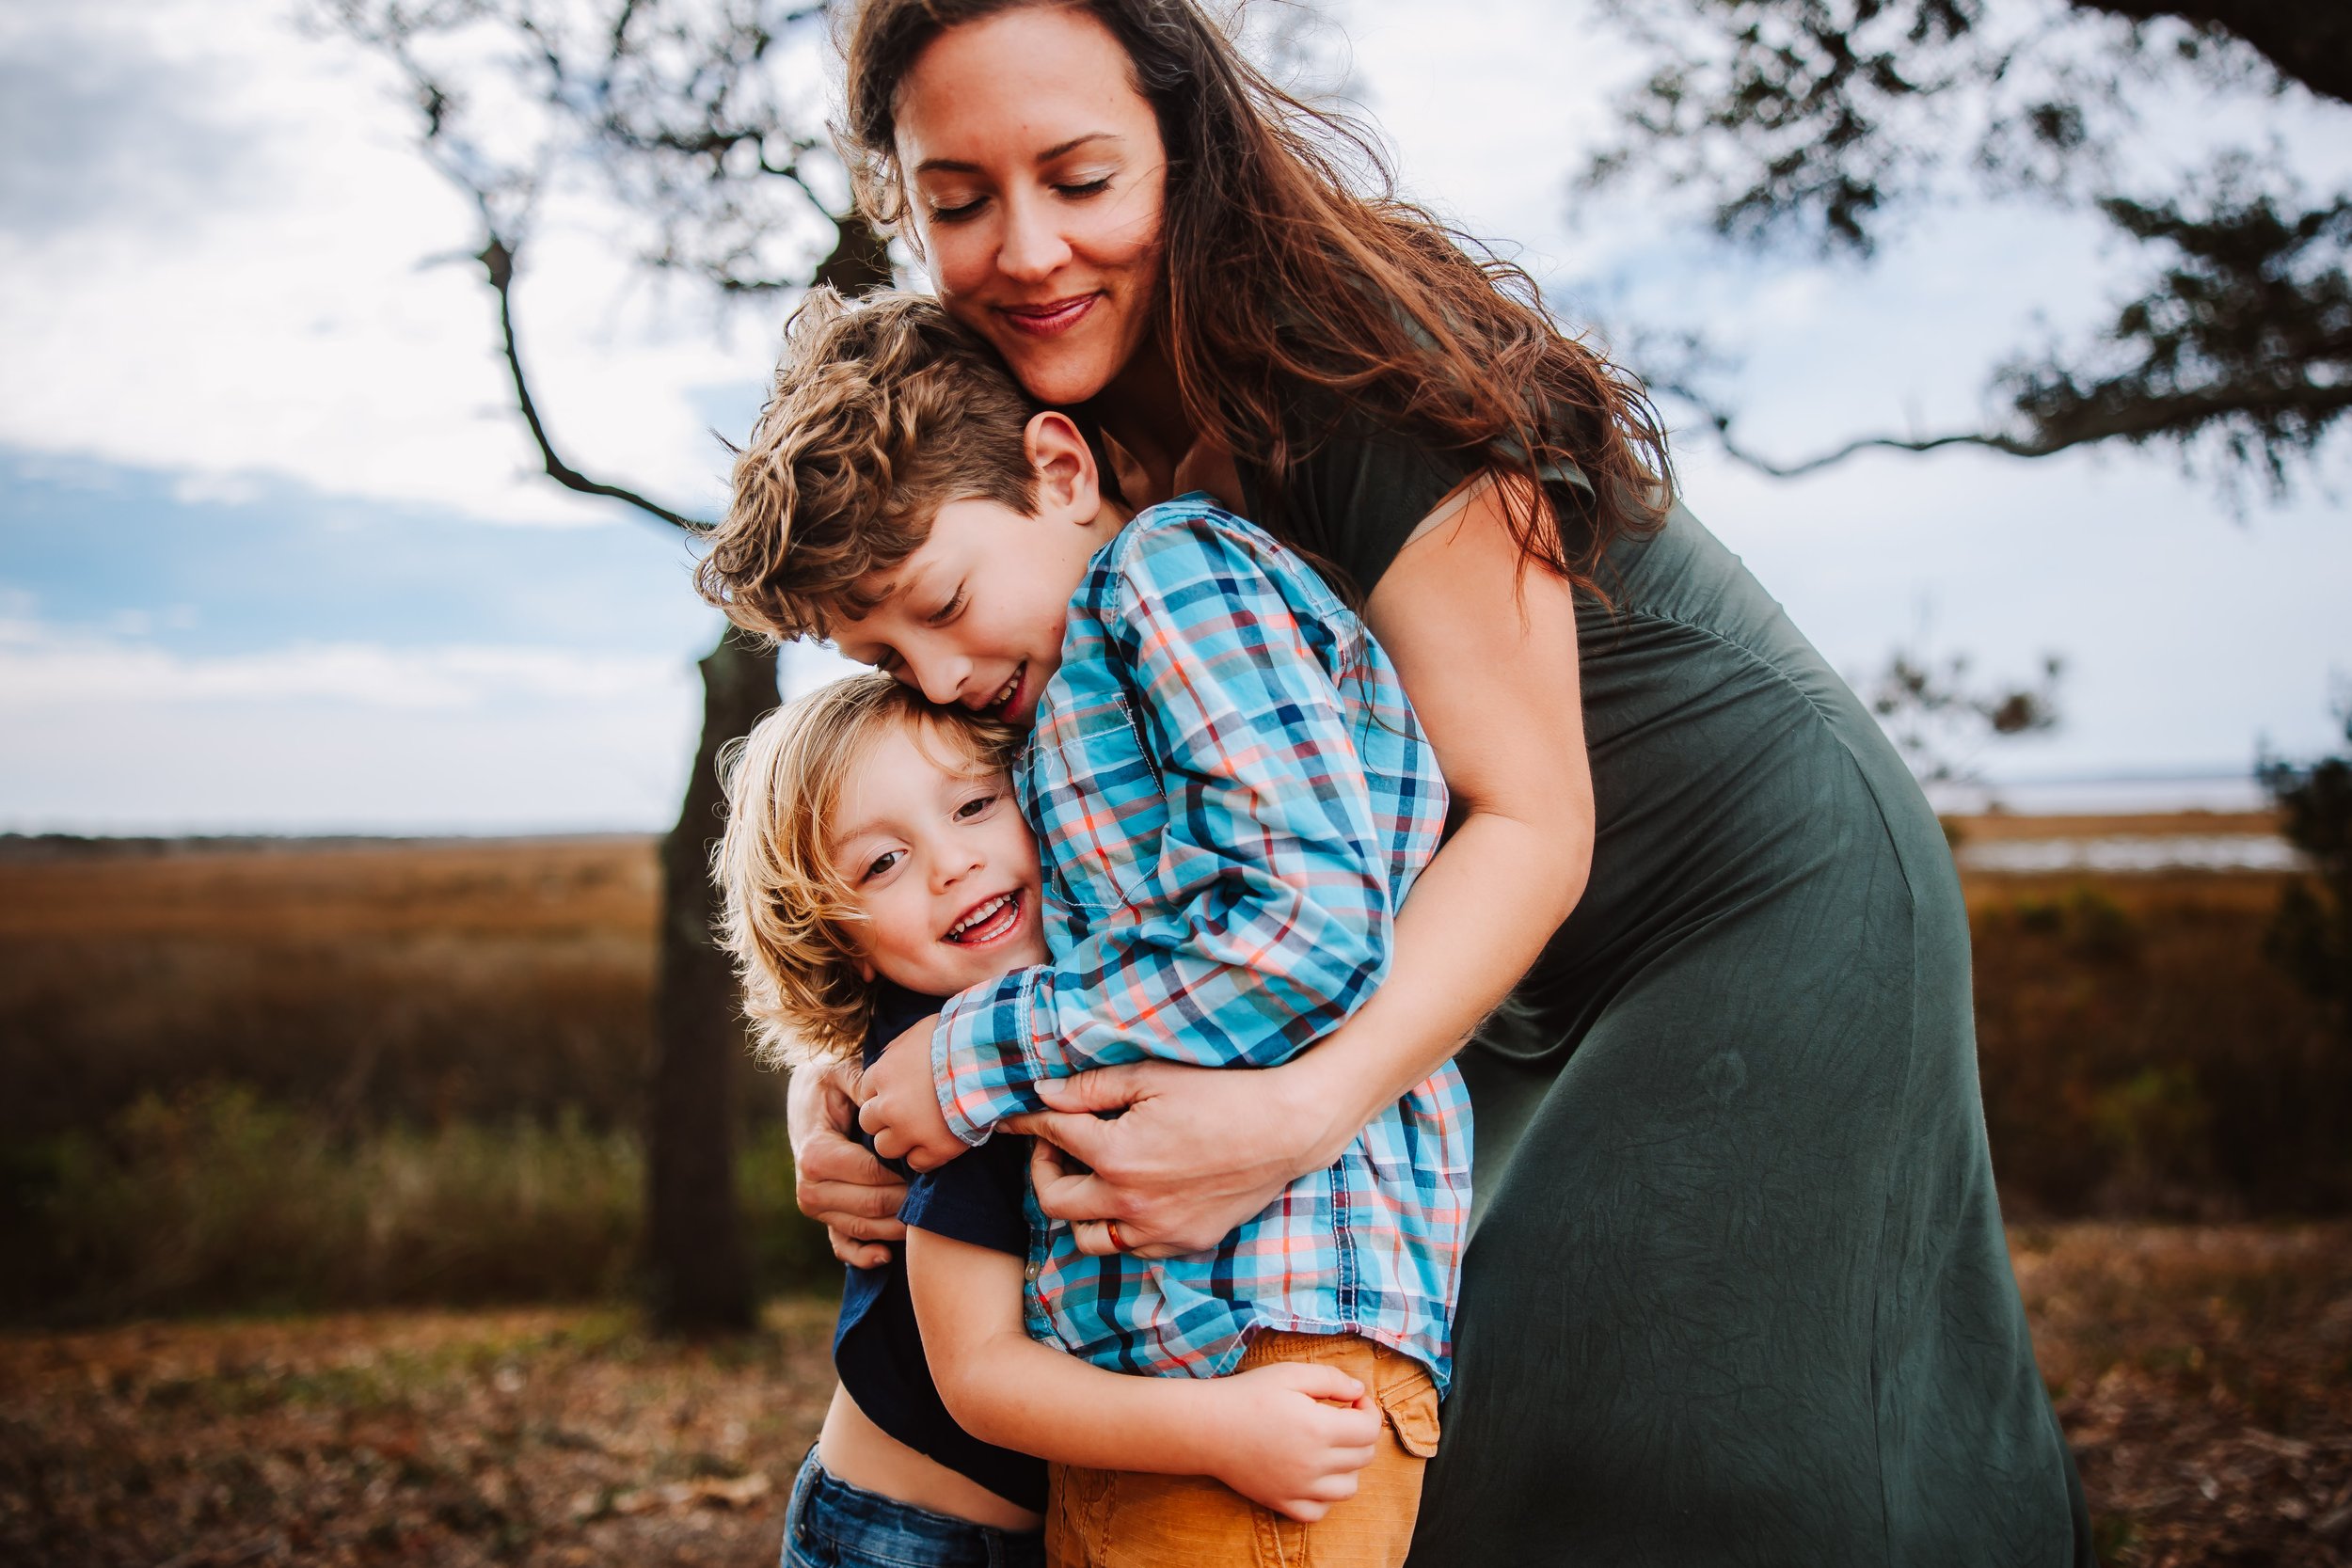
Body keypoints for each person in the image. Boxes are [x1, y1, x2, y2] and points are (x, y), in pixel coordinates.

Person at [805, 2, 2098, 1564]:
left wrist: (1291, 1113)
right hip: (1432, 959)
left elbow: (1534, 818)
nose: (1023, 249)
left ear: (1182, 142)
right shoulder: (1020, 428)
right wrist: (879, 1090)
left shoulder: (1354, 360)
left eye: (1081, 177)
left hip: (1742, 894)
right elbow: (1020, 832)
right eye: (956, 202)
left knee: (1647, 1437)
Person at [704, 289, 1467, 1567]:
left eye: (938, 603)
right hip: (1165, 1351)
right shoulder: (1056, 693)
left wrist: (973, 1058)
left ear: (1060, 469)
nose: (939, 676)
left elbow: (1303, 926)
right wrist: (836, 1072)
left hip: (1256, 1317)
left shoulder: (1167, 573)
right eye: (887, 657)